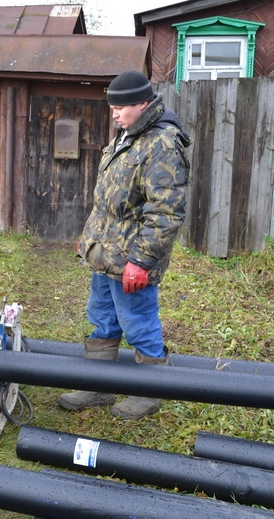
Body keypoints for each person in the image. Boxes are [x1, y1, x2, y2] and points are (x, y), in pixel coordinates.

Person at [58, 70, 192, 420]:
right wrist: (91, 238)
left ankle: (149, 394)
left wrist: (142, 262)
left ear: (143, 103)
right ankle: (99, 386)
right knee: (102, 319)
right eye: (112, 107)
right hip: (106, 252)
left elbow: (165, 212)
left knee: (138, 322)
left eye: (120, 107)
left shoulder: (162, 144)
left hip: (132, 259)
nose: (114, 114)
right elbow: (109, 201)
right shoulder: (128, 136)